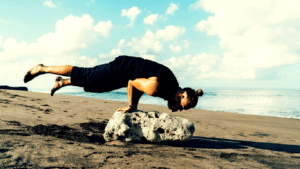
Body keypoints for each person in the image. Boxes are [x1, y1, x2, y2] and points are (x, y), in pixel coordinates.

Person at [24, 55, 203, 113]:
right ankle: (42, 68)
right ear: (181, 95)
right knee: (85, 74)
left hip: (125, 73)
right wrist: (132, 106)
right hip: (120, 69)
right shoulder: (158, 87)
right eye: (181, 105)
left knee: (96, 87)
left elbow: (139, 82)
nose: (178, 109)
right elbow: (133, 84)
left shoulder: (173, 86)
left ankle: (62, 82)